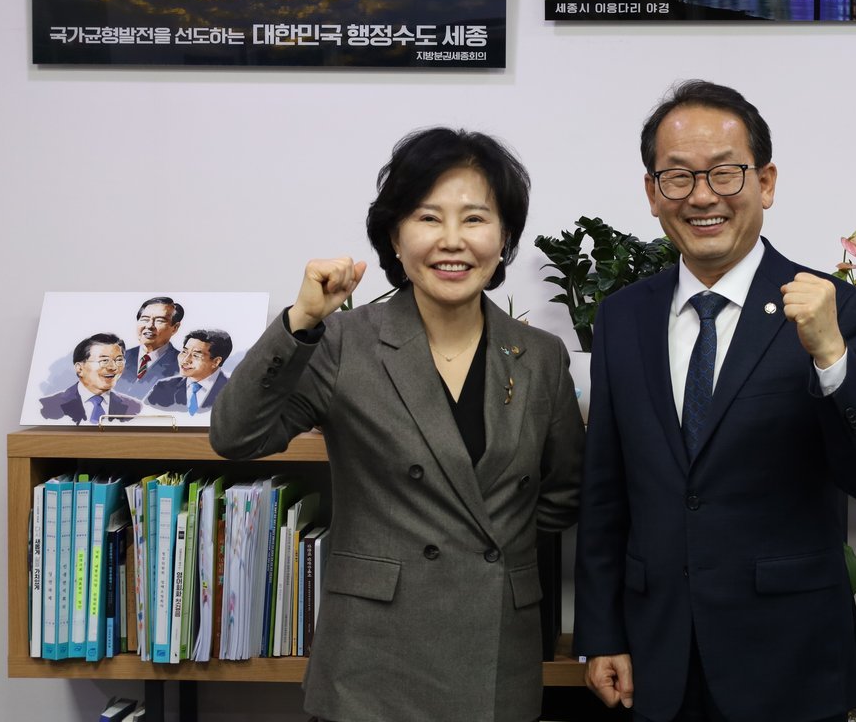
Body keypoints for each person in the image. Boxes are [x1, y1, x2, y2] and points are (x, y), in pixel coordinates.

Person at [209, 127, 583, 722]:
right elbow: (236, 437)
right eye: (428, 218)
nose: (452, 241)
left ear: (504, 237)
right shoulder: (342, 343)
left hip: (495, 650)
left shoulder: (539, 355)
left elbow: (563, 491)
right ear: (395, 236)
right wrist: (302, 319)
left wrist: (485, 554)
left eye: (475, 218)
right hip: (372, 659)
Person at [573, 80, 856, 722]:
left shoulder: (836, 309)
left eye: (725, 173)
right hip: (657, 654)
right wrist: (602, 632)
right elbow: (605, 489)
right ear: (653, 192)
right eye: (677, 177)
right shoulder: (622, 317)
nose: (702, 196)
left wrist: (830, 355)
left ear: (766, 183)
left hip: (791, 656)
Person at [40, 333, 143, 424]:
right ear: (79, 368)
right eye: (104, 360)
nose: (113, 367)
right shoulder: (48, 406)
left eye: (119, 360)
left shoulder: (134, 408)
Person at [145, 329, 232, 415]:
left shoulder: (233, 391)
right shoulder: (162, 388)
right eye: (184, 352)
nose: (185, 360)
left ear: (216, 362)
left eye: (196, 355)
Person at [116, 297, 184, 399]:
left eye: (160, 320)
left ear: (175, 328)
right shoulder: (120, 357)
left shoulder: (183, 365)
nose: (149, 326)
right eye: (145, 319)